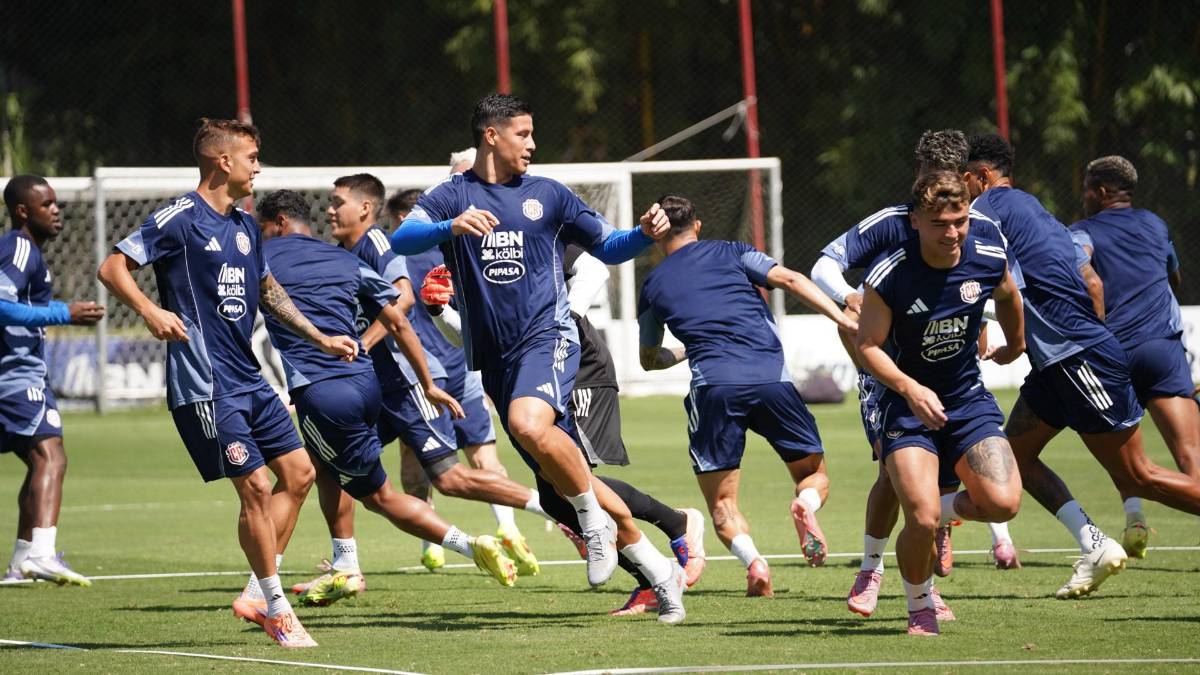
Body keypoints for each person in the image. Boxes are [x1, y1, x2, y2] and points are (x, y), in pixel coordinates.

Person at [392, 93, 687, 624]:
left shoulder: (549, 194)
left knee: (530, 427)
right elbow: (405, 236)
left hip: (548, 336)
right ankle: (659, 572)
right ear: (491, 135)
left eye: (532, 133)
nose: (532, 143)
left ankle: (593, 522)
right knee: (561, 488)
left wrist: (643, 233)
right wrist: (450, 228)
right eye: (522, 134)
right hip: (496, 359)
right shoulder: (451, 195)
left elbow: (610, 247)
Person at [97, 118, 359, 648]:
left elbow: (267, 289)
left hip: (250, 379)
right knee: (257, 487)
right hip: (206, 382)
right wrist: (150, 311)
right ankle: (276, 607)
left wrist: (319, 338)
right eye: (252, 157)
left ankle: (256, 590)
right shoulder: (180, 217)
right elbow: (112, 267)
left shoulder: (243, 226)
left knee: (300, 472)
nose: (258, 166)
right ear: (223, 161)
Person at [290, 171, 547, 602]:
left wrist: (360, 346)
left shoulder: (378, 245)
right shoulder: (343, 252)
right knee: (329, 465)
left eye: (338, 202)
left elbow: (403, 301)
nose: (330, 210)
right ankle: (346, 565)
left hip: (404, 385)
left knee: (450, 478)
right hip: (370, 388)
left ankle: (556, 506)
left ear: (365, 208)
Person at [966, 132, 1200, 599]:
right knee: (1015, 460)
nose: (961, 196)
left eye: (966, 180)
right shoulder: (1035, 211)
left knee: (1139, 476)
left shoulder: (988, 210)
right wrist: (1023, 340)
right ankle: (1094, 546)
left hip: (1077, 358)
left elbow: (985, 274)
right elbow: (1088, 282)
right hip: (1057, 364)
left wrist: (999, 326)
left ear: (983, 176)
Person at [421, 247, 708, 617]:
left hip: (574, 370)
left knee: (576, 480)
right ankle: (657, 569)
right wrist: (440, 310)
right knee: (559, 497)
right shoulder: (466, 261)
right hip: (511, 381)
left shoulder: (526, 229)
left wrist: (563, 322)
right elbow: (472, 339)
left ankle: (663, 544)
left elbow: (594, 267)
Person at [809, 130, 1022, 620]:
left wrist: (989, 326)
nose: (949, 228)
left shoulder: (983, 232)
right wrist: (850, 299)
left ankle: (931, 534)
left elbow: (1002, 287)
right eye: (930, 181)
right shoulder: (890, 228)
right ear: (918, 182)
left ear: (968, 181)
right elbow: (825, 266)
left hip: (959, 381)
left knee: (936, 502)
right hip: (889, 377)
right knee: (896, 477)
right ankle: (876, 568)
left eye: (953, 189)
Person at [638, 194, 858, 597]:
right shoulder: (733, 251)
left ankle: (754, 562)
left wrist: (691, 346)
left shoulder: (652, 286)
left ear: (657, 236)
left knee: (722, 504)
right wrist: (841, 314)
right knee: (814, 474)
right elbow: (790, 280)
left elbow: (649, 359)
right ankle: (806, 506)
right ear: (698, 226)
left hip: (714, 388)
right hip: (771, 380)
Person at [856, 170, 1025, 636]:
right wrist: (911, 388)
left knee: (1004, 503)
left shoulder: (988, 254)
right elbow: (867, 345)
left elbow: (1008, 293)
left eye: (960, 220)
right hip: (904, 406)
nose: (952, 233)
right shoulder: (890, 273)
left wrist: (1016, 343)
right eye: (940, 223)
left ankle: (937, 507)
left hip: (967, 400)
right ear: (915, 222)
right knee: (922, 518)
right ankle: (919, 605)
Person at [384, 153, 539, 574]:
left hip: (442, 369)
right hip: (445, 367)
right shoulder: (448, 241)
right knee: (467, 456)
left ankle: (451, 539)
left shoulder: (446, 244)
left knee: (438, 459)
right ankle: (490, 530)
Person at [1069, 155, 1200, 558]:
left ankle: (1135, 514)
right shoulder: (1155, 224)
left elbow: (1081, 280)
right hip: (1162, 348)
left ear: (1102, 192)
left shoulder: (1081, 232)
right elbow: (1173, 275)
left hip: (1114, 355)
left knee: (1125, 455)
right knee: (1190, 453)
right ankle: (1135, 518)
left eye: (1088, 187)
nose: (1084, 195)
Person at [0, 175, 105, 587]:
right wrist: (65, 313)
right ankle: (41, 554)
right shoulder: (20, 249)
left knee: (36, 460)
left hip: (15, 370)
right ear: (23, 211)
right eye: (47, 204)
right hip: (15, 372)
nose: (56, 210)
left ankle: (21, 563)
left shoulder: (23, 251)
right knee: (51, 456)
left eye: (57, 203)